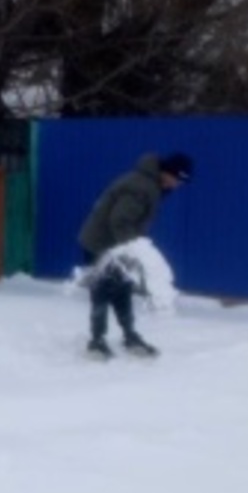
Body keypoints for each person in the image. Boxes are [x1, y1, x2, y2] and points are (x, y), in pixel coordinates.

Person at [77, 151, 192, 359]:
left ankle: (130, 335)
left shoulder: (150, 184)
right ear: (168, 173)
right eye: (177, 180)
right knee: (102, 292)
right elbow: (119, 221)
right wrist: (135, 249)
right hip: (101, 245)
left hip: (116, 245)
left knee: (123, 289)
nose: (177, 186)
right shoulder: (141, 187)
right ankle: (97, 340)